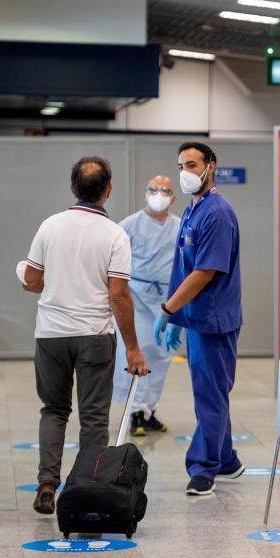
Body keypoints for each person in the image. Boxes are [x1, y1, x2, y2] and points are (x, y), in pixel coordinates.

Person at [21, 156, 149, 515]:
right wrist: (134, 348)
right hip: (94, 335)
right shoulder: (115, 235)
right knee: (94, 418)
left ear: (73, 188)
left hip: (51, 335)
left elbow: (32, 280)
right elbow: (119, 295)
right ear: (107, 191)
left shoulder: (49, 226)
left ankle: (47, 484)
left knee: (54, 409)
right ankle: (89, 486)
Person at [153, 142, 244, 496]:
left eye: (192, 164)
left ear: (212, 166)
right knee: (212, 390)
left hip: (215, 320)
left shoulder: (217, 213)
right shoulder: (194, 209)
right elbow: (183, 267)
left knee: (210, 394)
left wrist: (168, 310)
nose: (185, 172)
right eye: (181, 165)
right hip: (197, 318)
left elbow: (204, 272)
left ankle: (203, 468)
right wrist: (177, 314)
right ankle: (226, 459)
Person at [113, 175, 181, 435]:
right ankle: (135, 411)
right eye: (154, 189)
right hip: (137, 299)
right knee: (138, 354)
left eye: (165, 190)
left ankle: (150, 409)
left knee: (162, 357)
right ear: (145, 193)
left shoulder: (179, 226)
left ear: (173, 198)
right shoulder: (129, 225)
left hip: (168, 300)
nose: (160, 194)